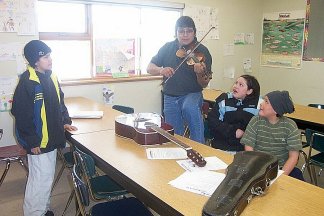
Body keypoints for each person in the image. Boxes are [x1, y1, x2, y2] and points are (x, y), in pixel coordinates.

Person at [11, 40, 77, 216]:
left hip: (52, 138)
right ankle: (35, 213)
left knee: (45, 178)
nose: (50, 59)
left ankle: (44, 209)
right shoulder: (28, 82)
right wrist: (31, 141)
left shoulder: (51, 76)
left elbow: (59, 104)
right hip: (39, 142)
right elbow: (22, 115)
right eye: (46, 56)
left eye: (50, 55)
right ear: (35, 60)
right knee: (40, 180)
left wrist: (65, 121)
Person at [147, 16, 212, 144]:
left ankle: (199, 147)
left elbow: (204, 83)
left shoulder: (202, 51)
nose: (185, 35)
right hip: (170, 96)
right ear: (176, 32)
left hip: (192, 94)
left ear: (194, 32)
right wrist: (161, 70)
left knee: (189, 108)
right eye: (181, 31)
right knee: (174, 136)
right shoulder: (167, 47)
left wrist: (199, 73)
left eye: (189, 31)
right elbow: (149, 67)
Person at [241, 90, 304, 181]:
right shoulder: (256, 121)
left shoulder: (290, 126)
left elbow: (293, 157)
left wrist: (279, 176)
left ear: (276, 109)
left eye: (266, 102)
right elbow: (249, 148)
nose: (261, 104)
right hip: (257, 166)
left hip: (281, 169)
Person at [207, 75, 261, 152]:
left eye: (241, 85)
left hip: (245, 150)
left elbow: (261, 129)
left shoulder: (259, 105)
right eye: (236, 83)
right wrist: (233, 131)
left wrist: (245, 134)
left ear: (249, 91)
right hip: (222, 146)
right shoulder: (224, 100)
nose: (235, 86)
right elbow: (213, 121)